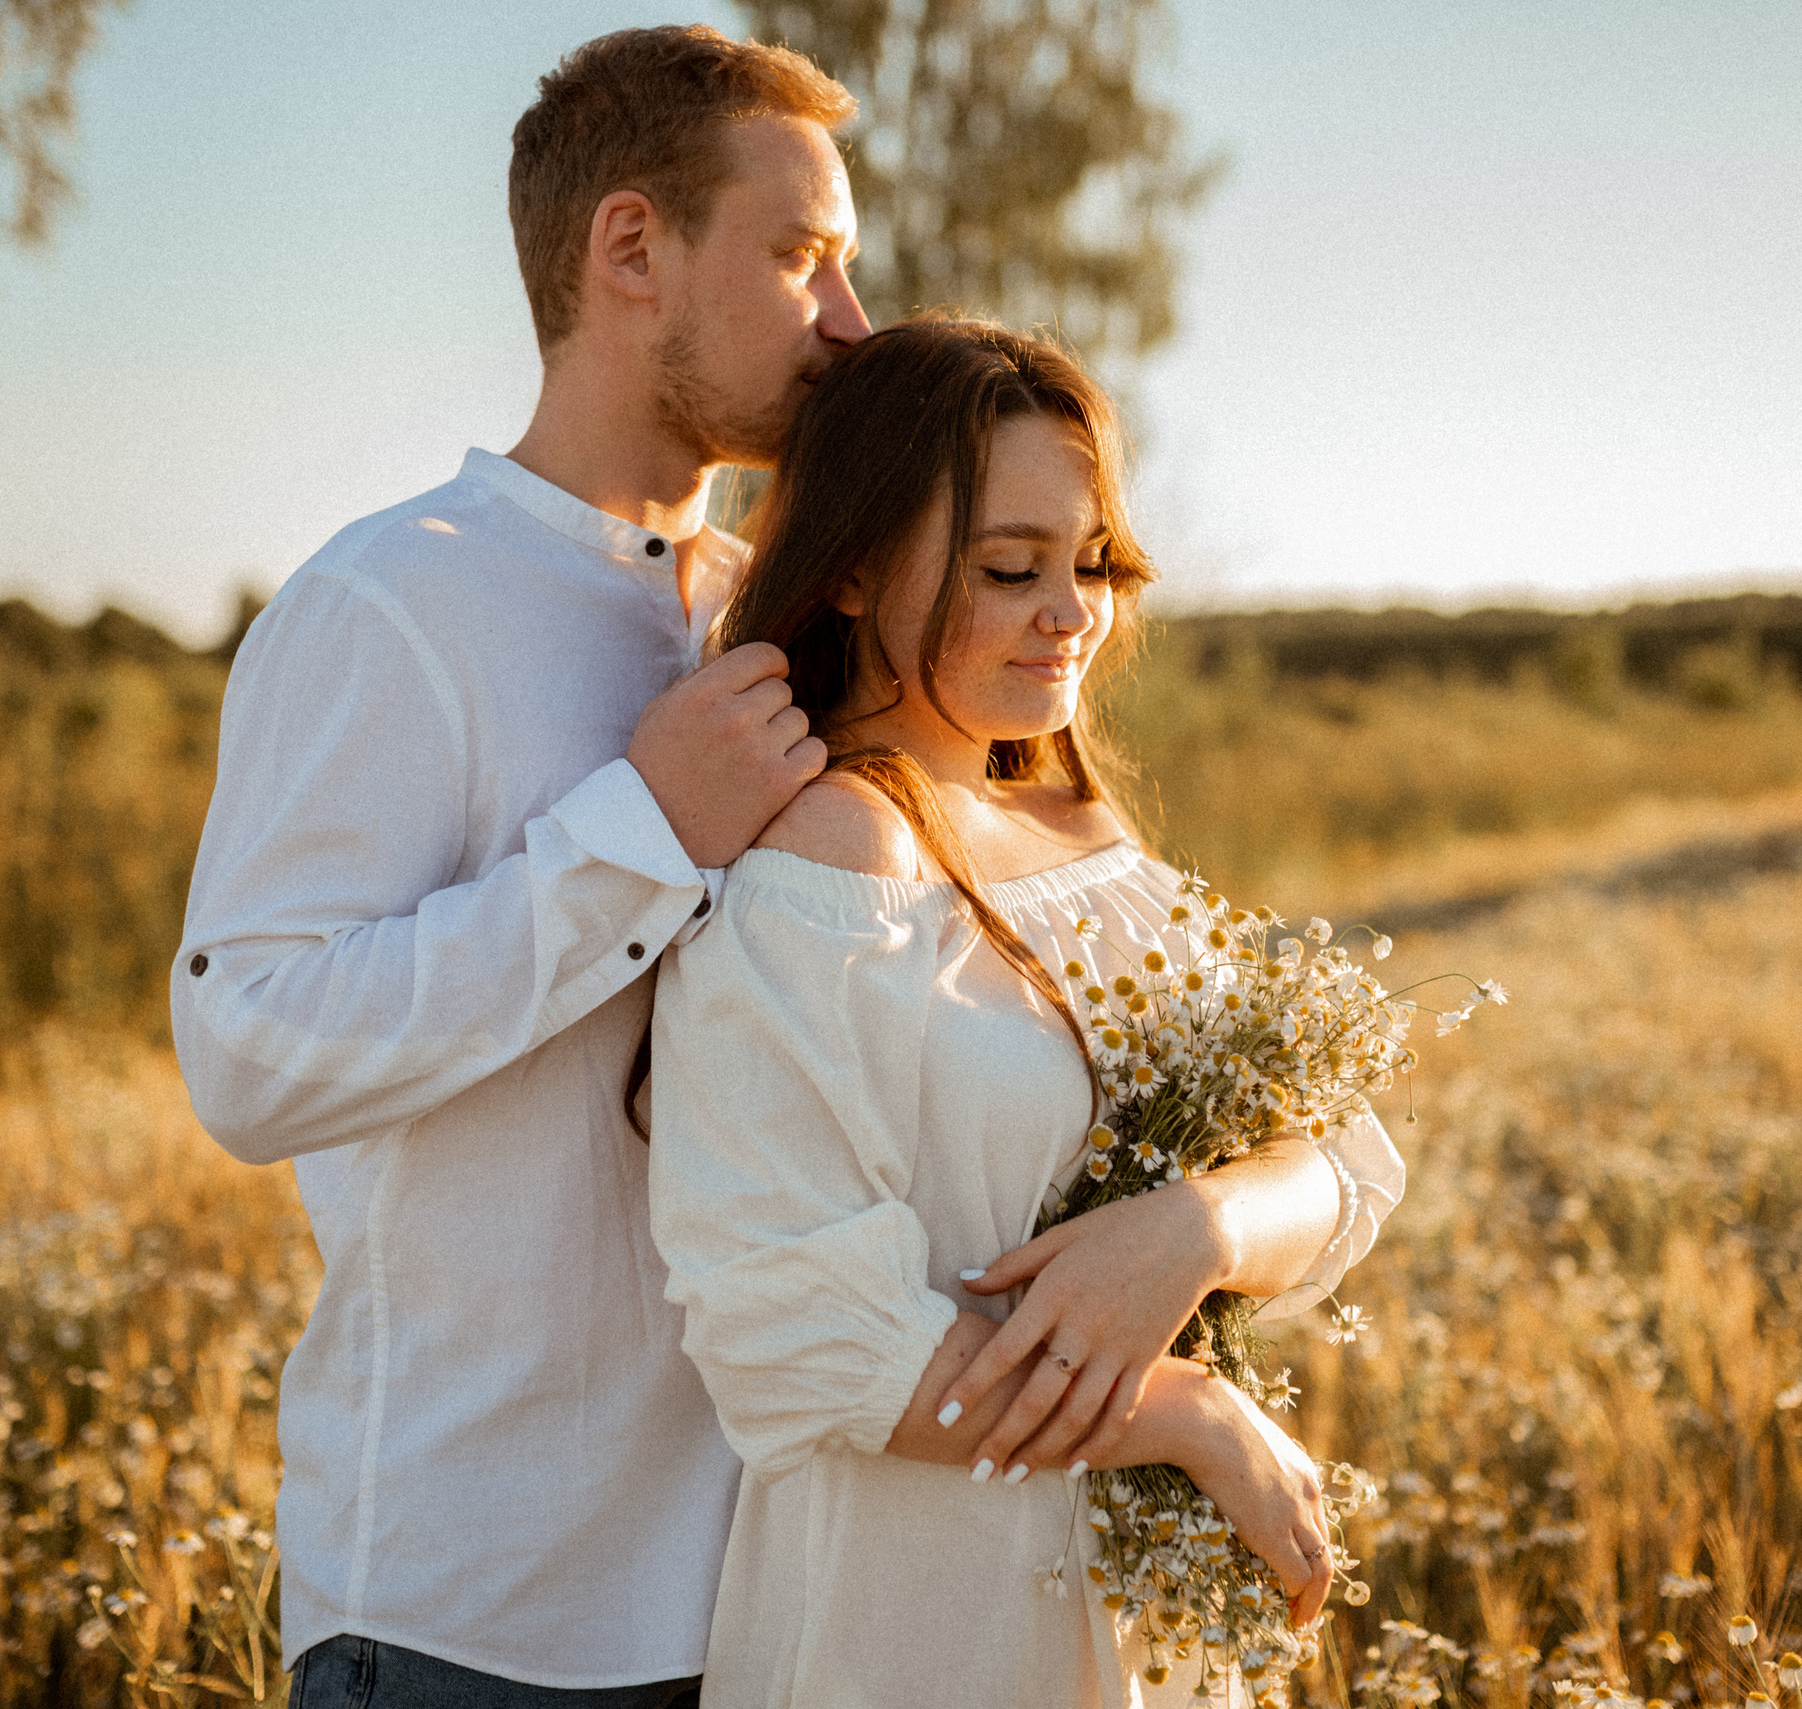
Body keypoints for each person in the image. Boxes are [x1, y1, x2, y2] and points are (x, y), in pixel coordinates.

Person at [173, 25, 1373, 1708]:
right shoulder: (394, 605)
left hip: (789, 1582)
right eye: (802, 255)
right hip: (484, 1612)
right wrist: (638, 836)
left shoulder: (775, 604)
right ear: (633, 250)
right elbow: (250, 1050)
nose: (849, 322)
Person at [645, 316, 1406, 1709]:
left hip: (1142, 1616)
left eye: (1091, 563)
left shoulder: (1087, 835)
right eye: (1012, 567)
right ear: (858, 572)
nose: (1071, 611)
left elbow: (1350, 1156)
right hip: (929, 1616)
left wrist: (1199, 1229)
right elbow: (792, 1327)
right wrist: (1186, 1412)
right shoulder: (836, 859)